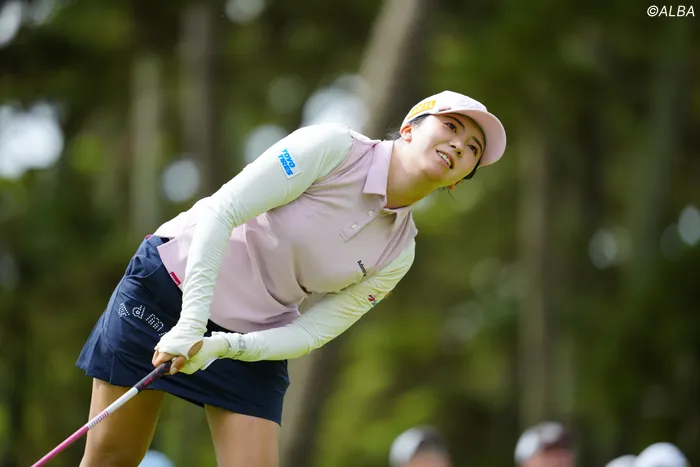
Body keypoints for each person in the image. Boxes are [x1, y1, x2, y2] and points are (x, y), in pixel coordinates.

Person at [76, 90, 507, 467]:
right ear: (410, 129)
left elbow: (311, 332)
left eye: (472, 148)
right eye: (451, 126)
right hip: (169, 288)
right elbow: (221, 212)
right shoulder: (333, 148)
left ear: (459, 180)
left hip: (254, 335)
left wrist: (226, 346)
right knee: (112, 459)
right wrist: (191, 323)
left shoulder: (399, 253)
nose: (458, 145)